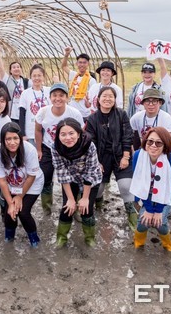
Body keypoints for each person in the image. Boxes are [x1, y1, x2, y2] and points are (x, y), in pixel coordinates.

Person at [86, 86, 136, 228]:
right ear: (98, 99)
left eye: (111, 96)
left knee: (125, 186)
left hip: (120, 155)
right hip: (101, 158)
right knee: (98, 189)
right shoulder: (92, 119)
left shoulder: (121, 114)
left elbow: (128, 136)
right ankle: (98, 205)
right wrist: (96, 162)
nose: (107, 99)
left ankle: (132, 218)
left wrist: (126, 157)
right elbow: (91, 142)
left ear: (115, 100)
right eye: (104, 96)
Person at [34, 83, 84, 215]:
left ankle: (73, 206)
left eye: (61, 95)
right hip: (48, 147)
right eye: (54, 95)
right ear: (50, 97)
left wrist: (78, 153)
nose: (58, 98)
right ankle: (46, 206)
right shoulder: (43, 112)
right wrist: (38, 149)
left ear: (67, 97)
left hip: (68, 149)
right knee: (45, 176)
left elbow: (81, 133)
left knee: (73, 178)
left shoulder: (74, 113)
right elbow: (38, 130)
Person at [0, 122, 43, 247]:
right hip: (11, 183)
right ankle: (9, 239)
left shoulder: (29, 149)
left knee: (23, 212)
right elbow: (1, 180)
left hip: (31, 184)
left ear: (20, 138)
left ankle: (34, 240)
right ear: (2, 140)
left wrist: (19, 196)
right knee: (10, 211)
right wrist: (10, 203)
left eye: (15, 138)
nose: (12, 142)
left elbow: (31, 176)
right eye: (8, 139)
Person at [52, 118, 102, 247]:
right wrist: (70, 199)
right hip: (71, 179)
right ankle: (61, 238)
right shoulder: (56, 147)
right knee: (67, 208)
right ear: (58, 136)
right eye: (63, 134)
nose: (68, 138)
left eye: (71, 133)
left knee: (86, 209)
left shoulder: (89, 145)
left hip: (91, 179)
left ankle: (90, 238)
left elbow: (90, 172)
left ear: (79, 133)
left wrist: (85, 198)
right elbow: (62, 172)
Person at [130, 127, 171, 251]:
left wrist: (158, 211)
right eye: (150, 141)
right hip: (144, 193)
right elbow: (139, 184)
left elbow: (170, 187)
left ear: (165, 144)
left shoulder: (170, 158)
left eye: (159, 143)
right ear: (145, 142)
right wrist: (149, 209)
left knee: (160, 222)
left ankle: (167, 243)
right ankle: (139, 241)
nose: (153, 146)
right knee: (144, 221)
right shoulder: (137, 155)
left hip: (166, 192)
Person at [61, 47, 97, 120]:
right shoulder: (74, 75)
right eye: (80, 62)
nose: (82, 65)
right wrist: (66, 55)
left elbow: (93, 98)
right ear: (77, 63)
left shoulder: (91, 80)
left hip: (84, 114)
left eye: (84, 62)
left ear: (88, 64)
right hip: (71, 112)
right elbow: (64, 66)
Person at [0, 46, 29, 123]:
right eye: (14, 67)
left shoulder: (26, 81)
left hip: (23, 114)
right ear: (10, 70)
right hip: (11, 114)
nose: (16, 69)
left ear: (21, 69)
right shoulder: (7, 79)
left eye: (18, 67)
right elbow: (1, 68)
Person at [18, 64, 50, 144]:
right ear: (30, 77)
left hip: (47, 132)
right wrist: (23, 134)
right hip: (31, 133)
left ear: (43, 77)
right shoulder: (25, 93)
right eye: (34, 76)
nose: (37, 78)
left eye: (39, 75)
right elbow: (22, 114)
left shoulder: (49, 91)